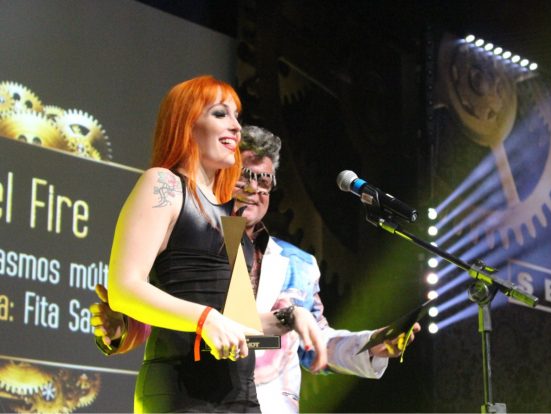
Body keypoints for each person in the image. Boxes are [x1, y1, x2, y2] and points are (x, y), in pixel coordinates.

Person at [93, 124, 420, 413]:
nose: (253, 190)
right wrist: (124, 327)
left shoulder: (298, 264)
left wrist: (372, 344)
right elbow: (158, 317)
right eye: (244, 176)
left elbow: (316, 341)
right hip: (192, 397)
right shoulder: (183, 241)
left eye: (264, 180)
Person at [103, 76, 327, 413]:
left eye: (236, 115)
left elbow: (240, 323)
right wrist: (205, 319)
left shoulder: (230, 218)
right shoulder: (164, 185)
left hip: (240, 397)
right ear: (187, 123)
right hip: (182, 393)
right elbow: (124, 289)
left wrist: (291, 316)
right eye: (221, 114)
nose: (236, 126)